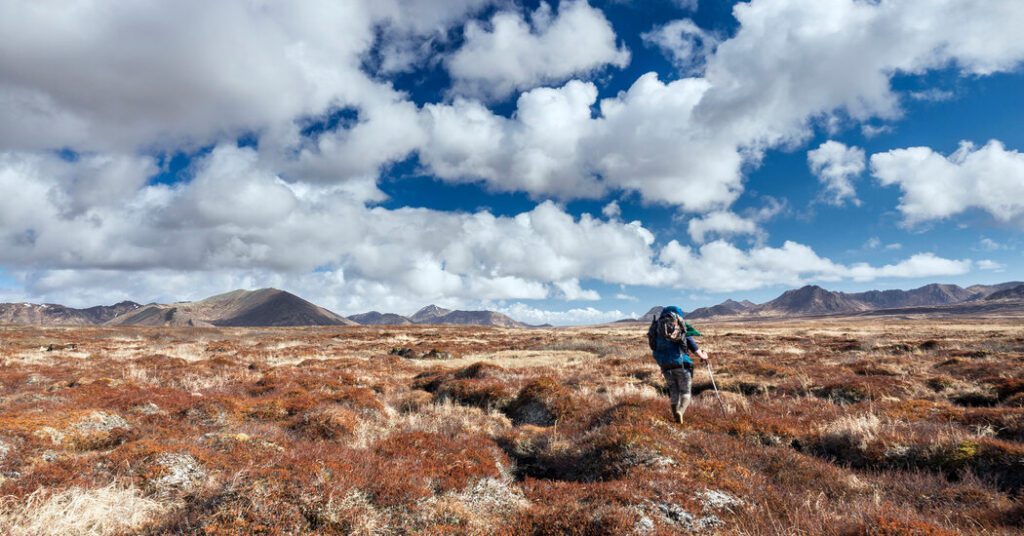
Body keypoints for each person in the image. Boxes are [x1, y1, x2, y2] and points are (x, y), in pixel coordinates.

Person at [647, 305, 708, 424]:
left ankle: (676, 419)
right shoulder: (680, 328)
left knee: (674, 393)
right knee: (685, 393)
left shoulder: (657, 330)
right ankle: (680, 412)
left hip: (665, 367)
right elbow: (696, 350)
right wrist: (704, 356)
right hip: (682, 365)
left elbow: (654, 347)